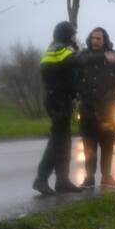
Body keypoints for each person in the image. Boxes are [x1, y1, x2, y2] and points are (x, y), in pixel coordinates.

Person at [76, 27, 115, 188]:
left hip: (108, 110)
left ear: (105, 39)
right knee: (88, 145)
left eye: (98, 38)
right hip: (87, 109)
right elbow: (75, 78)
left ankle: (106, 176)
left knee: (107, 144)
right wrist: (81, 93)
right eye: (93, 38)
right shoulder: (83, 56)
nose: (95, 41)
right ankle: (89, 176)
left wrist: (113, 94)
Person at [33, 21, 83, 195]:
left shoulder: (52, 49)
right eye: (72, 34)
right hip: (59, 101)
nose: (74, 37)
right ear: (67, 35)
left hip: (55, 99)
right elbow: (76, 69)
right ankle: (41, 178)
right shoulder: (64, 51)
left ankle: (63, 180)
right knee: (58, 142)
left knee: (64, 141)